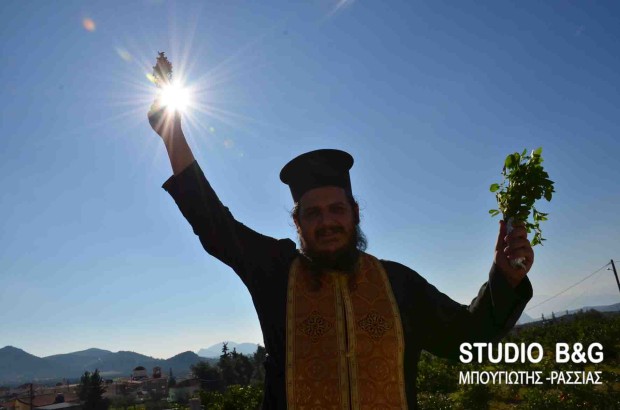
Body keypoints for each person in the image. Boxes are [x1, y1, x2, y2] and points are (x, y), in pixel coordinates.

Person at [148, 103, 533, 409]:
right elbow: (214, 223)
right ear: (297, 222)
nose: (326, 222)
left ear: (355, 213)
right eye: (313, 213)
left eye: (336, 209)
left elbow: (467, 337)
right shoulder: (276, 274)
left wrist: (506, 278)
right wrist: (172, 133)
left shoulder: (397, 284)